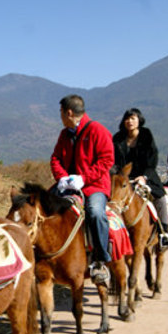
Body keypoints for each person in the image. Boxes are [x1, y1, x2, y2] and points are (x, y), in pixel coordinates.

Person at [50, 94, 115, 285]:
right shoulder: (64, 134)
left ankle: (100, 260)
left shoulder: (97, 130)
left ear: (68, 113)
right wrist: (61, 177)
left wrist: (84, 178)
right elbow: (55, 159)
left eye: (61, 112)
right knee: (42, 206)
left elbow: (107, 160)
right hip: (68, 185)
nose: (60, 116)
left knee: (95, 213)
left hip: (94, 185)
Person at [112, 108, 168, 249]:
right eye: (127, 119)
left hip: (146, 175)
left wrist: (144, 177)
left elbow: (152, 158)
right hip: (123, 178)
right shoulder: (117, 138)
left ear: (139, 120)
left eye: (133, 118)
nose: (129, 121)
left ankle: (163, 233)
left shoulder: (146, 135)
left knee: (160, 198)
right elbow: (114, 160)